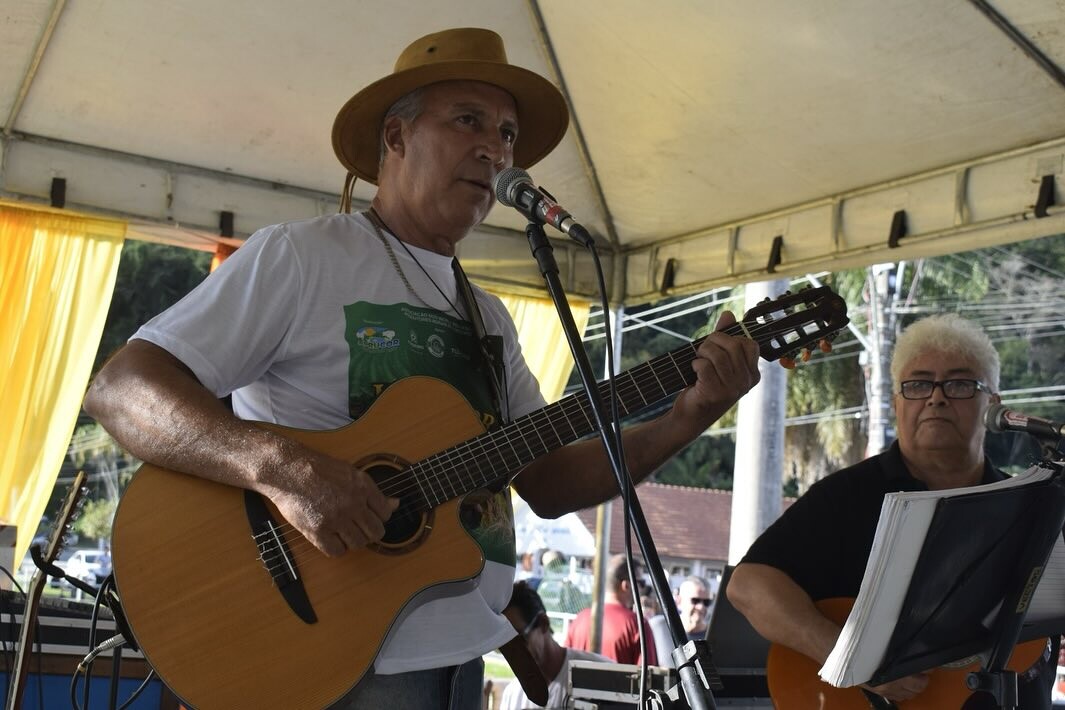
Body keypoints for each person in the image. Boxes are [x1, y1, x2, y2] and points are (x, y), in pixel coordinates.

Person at [83, 26, 761, 710]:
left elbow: (550, 482)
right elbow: (122, 390)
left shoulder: (488, 318)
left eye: (506, 134)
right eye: (468, 120)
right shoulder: (305, 256)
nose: (495, 149)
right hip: (332, 658)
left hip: (462, 655)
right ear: (396, 137)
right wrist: (284, 470)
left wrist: (690, 416)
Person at [727, 313, 1058, 707]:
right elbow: (748, 586)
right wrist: (848, 658)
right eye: (918, 384)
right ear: (896, 402)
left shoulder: (1035, 504)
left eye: (959, 384)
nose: (936, 398)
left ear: (993, 403)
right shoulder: (847, 496)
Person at [499, 581, 609, 709]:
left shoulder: (602, 677)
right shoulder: (513, 696)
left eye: (519, 639)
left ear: (543, 623)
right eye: (503, 645)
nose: (513, 653)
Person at [564, 554, 659, 665]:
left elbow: (565, 665)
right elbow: (648, 673)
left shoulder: (579, 619)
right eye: (641, 583)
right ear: (626, 585)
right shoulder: (637, 625)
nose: (643, 588)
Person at [677, 575, 713, 642]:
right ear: (679, 601)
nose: (701, 607)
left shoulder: (714, 637)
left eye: (706, 602)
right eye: (695, 600)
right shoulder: (663, 630)